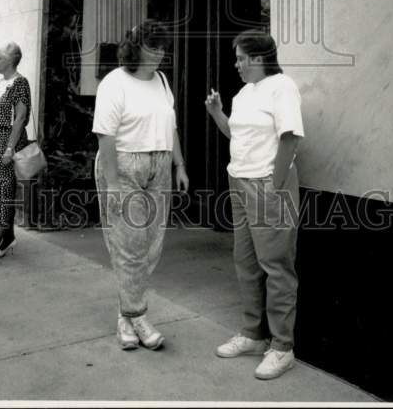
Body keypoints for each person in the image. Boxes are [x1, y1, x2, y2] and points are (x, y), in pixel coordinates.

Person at [205, 30, 304, 381]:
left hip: (267, 185)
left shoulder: (282, 86)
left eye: (241, 57)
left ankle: (282, 348)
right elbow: (237, 134)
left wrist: (275, 187)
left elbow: (289, 136)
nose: (237, 64)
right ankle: (252, 334)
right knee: (246, 262)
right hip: (240, 183)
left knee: (276, 266)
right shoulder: (245, 92)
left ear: (259, 58)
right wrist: (217, 112)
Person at [93, 20, 189, 352]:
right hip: (123, 165)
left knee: (151, 245)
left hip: (160, 166)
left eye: (163, 46)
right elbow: (105, 134)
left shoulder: (162, 81)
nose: (160, 52)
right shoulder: (114, 82)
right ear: (135, 48)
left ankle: (125, 316)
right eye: (153, 45)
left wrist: (180, 164)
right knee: (129, 245)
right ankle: (138, 316)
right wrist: (114, 184)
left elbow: (171, 126)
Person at [0, 42, 32, 271]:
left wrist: (10, 149)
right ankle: (8, 237)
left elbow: (20, 119)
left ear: (11, 61)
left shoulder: (20, 83)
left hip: (7, 142)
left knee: (1, 191)